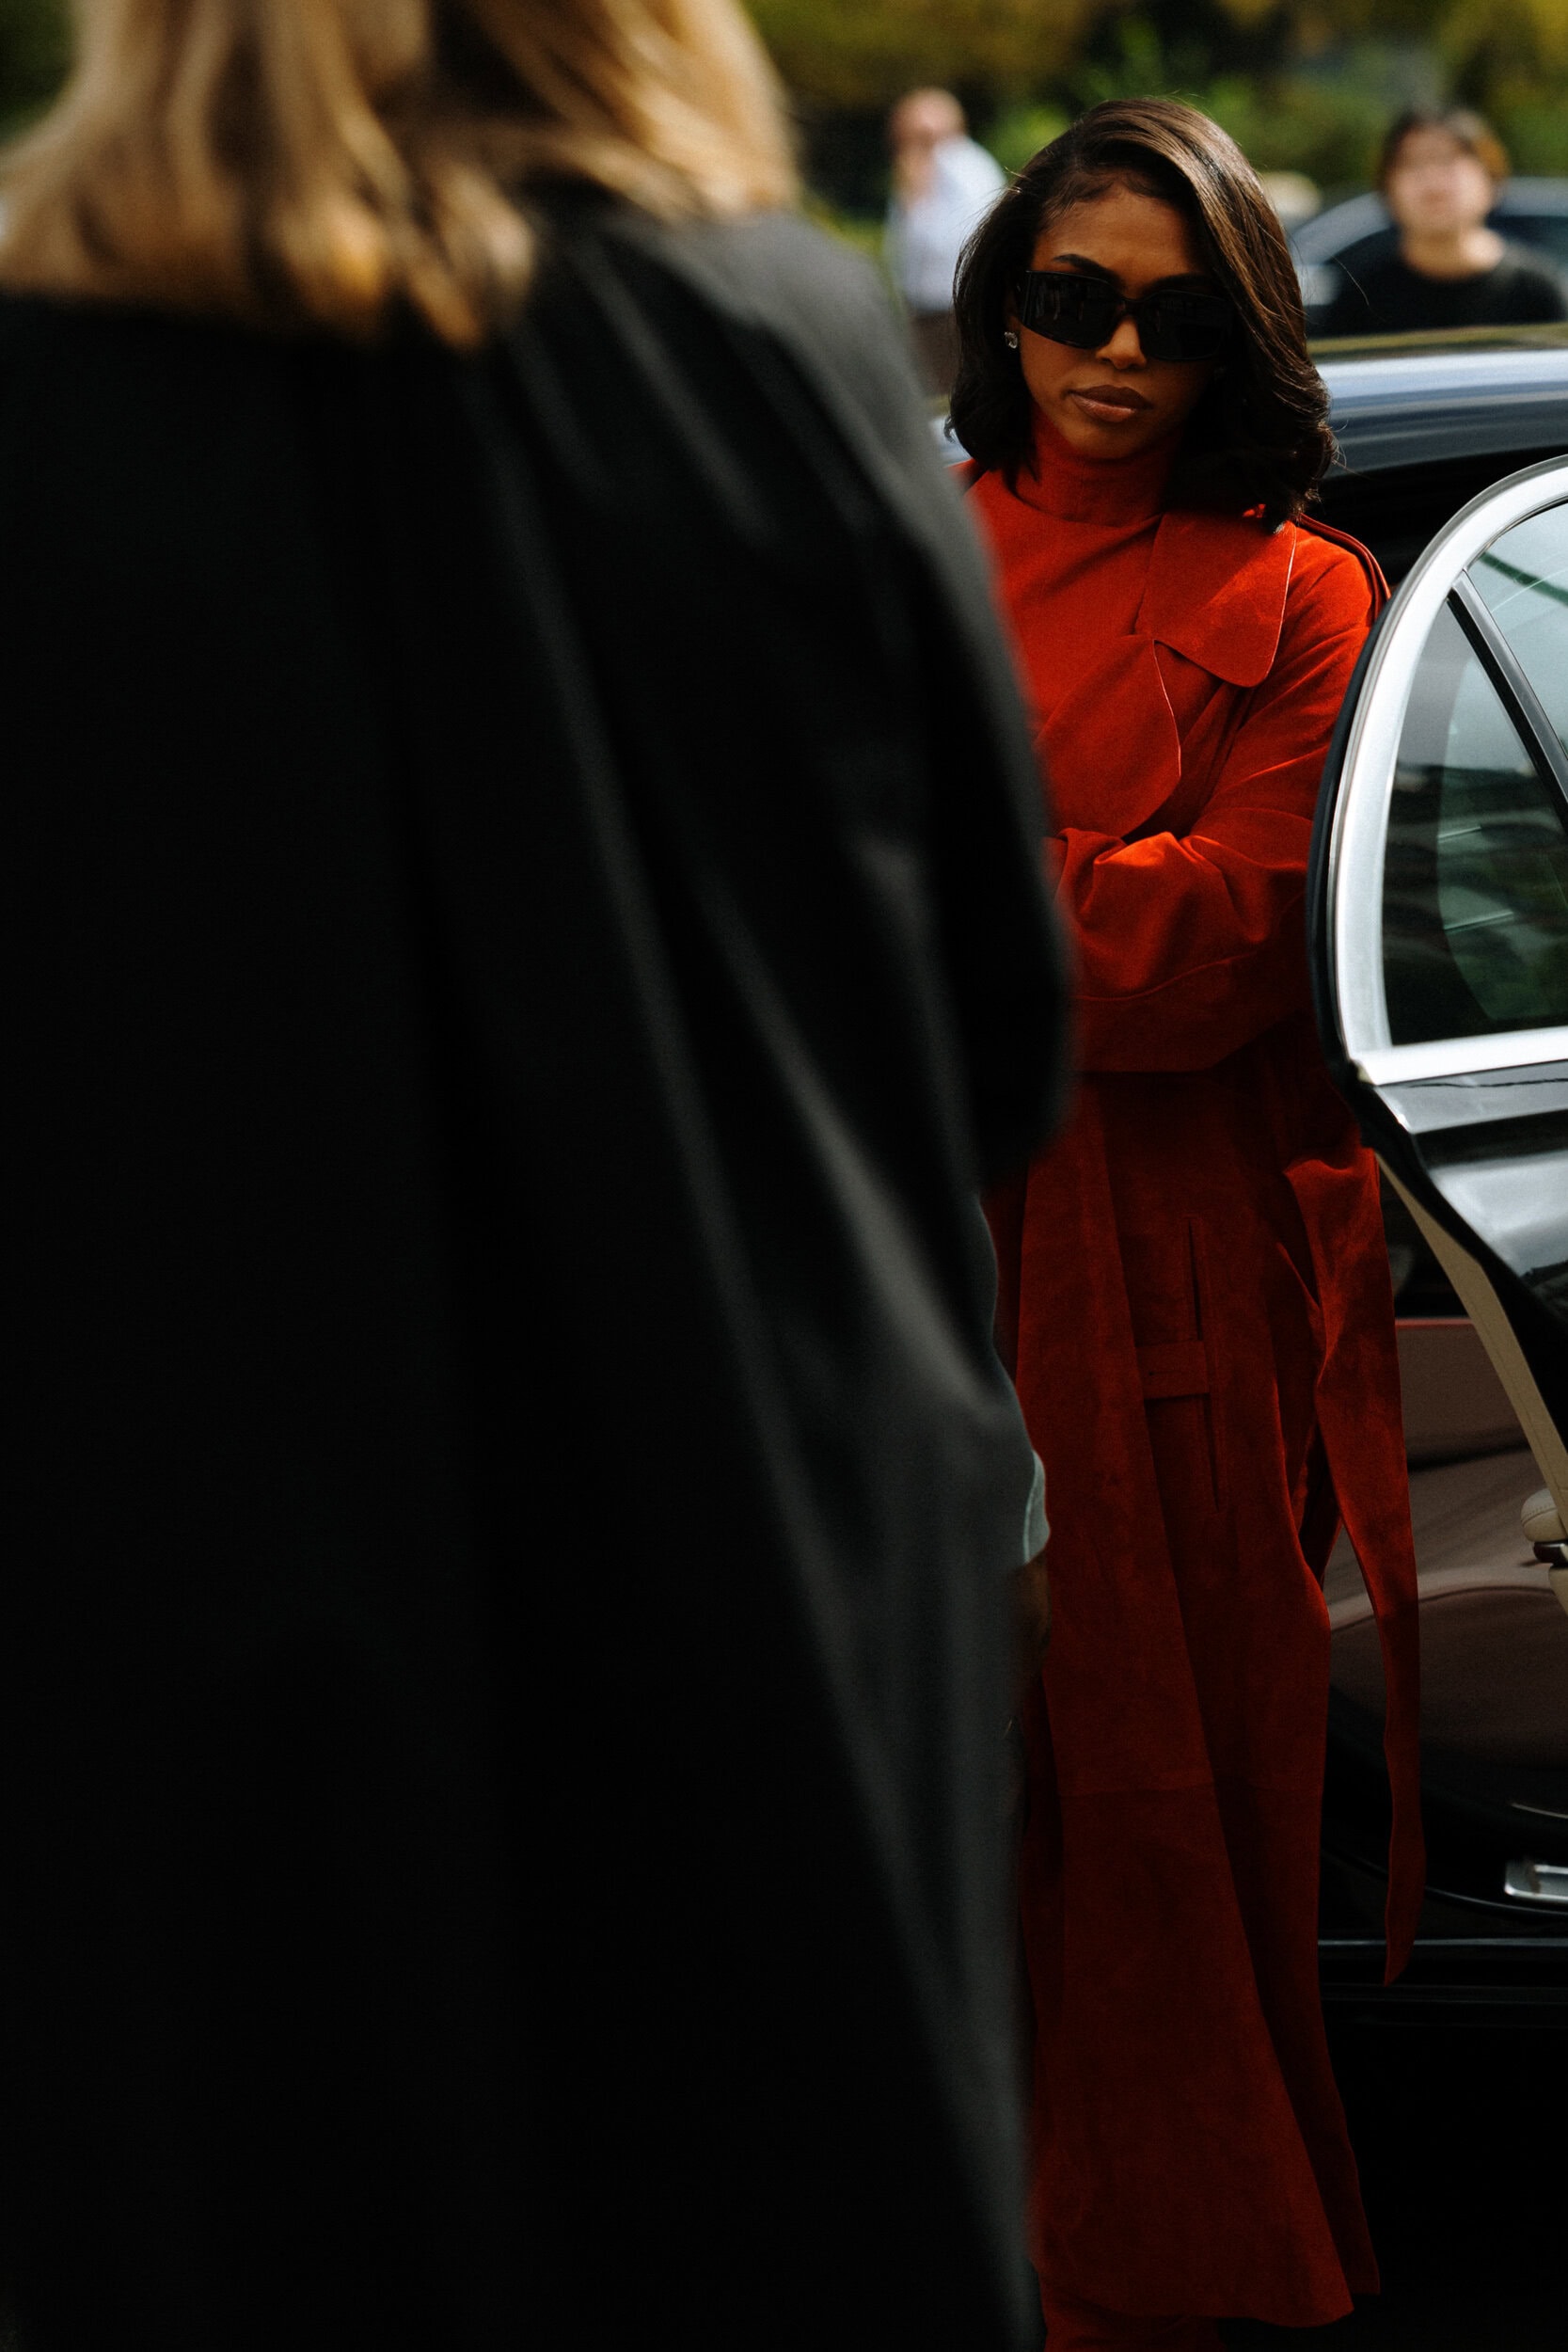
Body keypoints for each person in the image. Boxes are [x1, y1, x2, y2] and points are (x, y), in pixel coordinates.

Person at [0, 4, 1069, 2347]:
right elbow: (997, 1025)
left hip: (202, 1656)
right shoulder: (774, 343)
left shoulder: (46, 401)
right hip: (758, 1577)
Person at [950, 99, 1425, 2348]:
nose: (1114, 355)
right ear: (1001, 306)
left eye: (1170, 315)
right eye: (1070, 300)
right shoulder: (900, 545)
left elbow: (1208, 956)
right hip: (899, 1245)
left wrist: (917, 896)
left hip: (1170, 1271)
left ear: (1236, 337)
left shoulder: (1303, 589)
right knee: (922, 1809)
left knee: (1162, 1810)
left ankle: (1162, 2281)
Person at [1316, 105, 1567, 337]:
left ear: (1491, 178)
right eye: (1412, 163)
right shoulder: (1360, 297)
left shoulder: (1537, 292)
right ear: (1387, 187)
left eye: (1449, 160)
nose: (1432, 181)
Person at [886, 87, 1006, 397]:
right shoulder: (920, 171)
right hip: (929, 314)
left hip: (953, 313)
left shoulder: (960, 165)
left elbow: (959, 241)